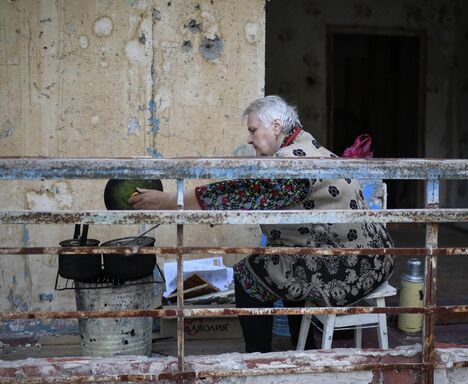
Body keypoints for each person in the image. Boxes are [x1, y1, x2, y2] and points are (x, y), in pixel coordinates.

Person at [129, 95, 395, 352]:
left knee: (248, 273)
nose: (249, 139)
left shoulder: (291, 162)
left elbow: (242, 193)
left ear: (276, 126)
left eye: (254, 131)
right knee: (288, 259)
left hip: (353, 270)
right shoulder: (310, 145)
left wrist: (168, 200)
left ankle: (257, 357)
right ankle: (302, 346)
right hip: (379, 258)